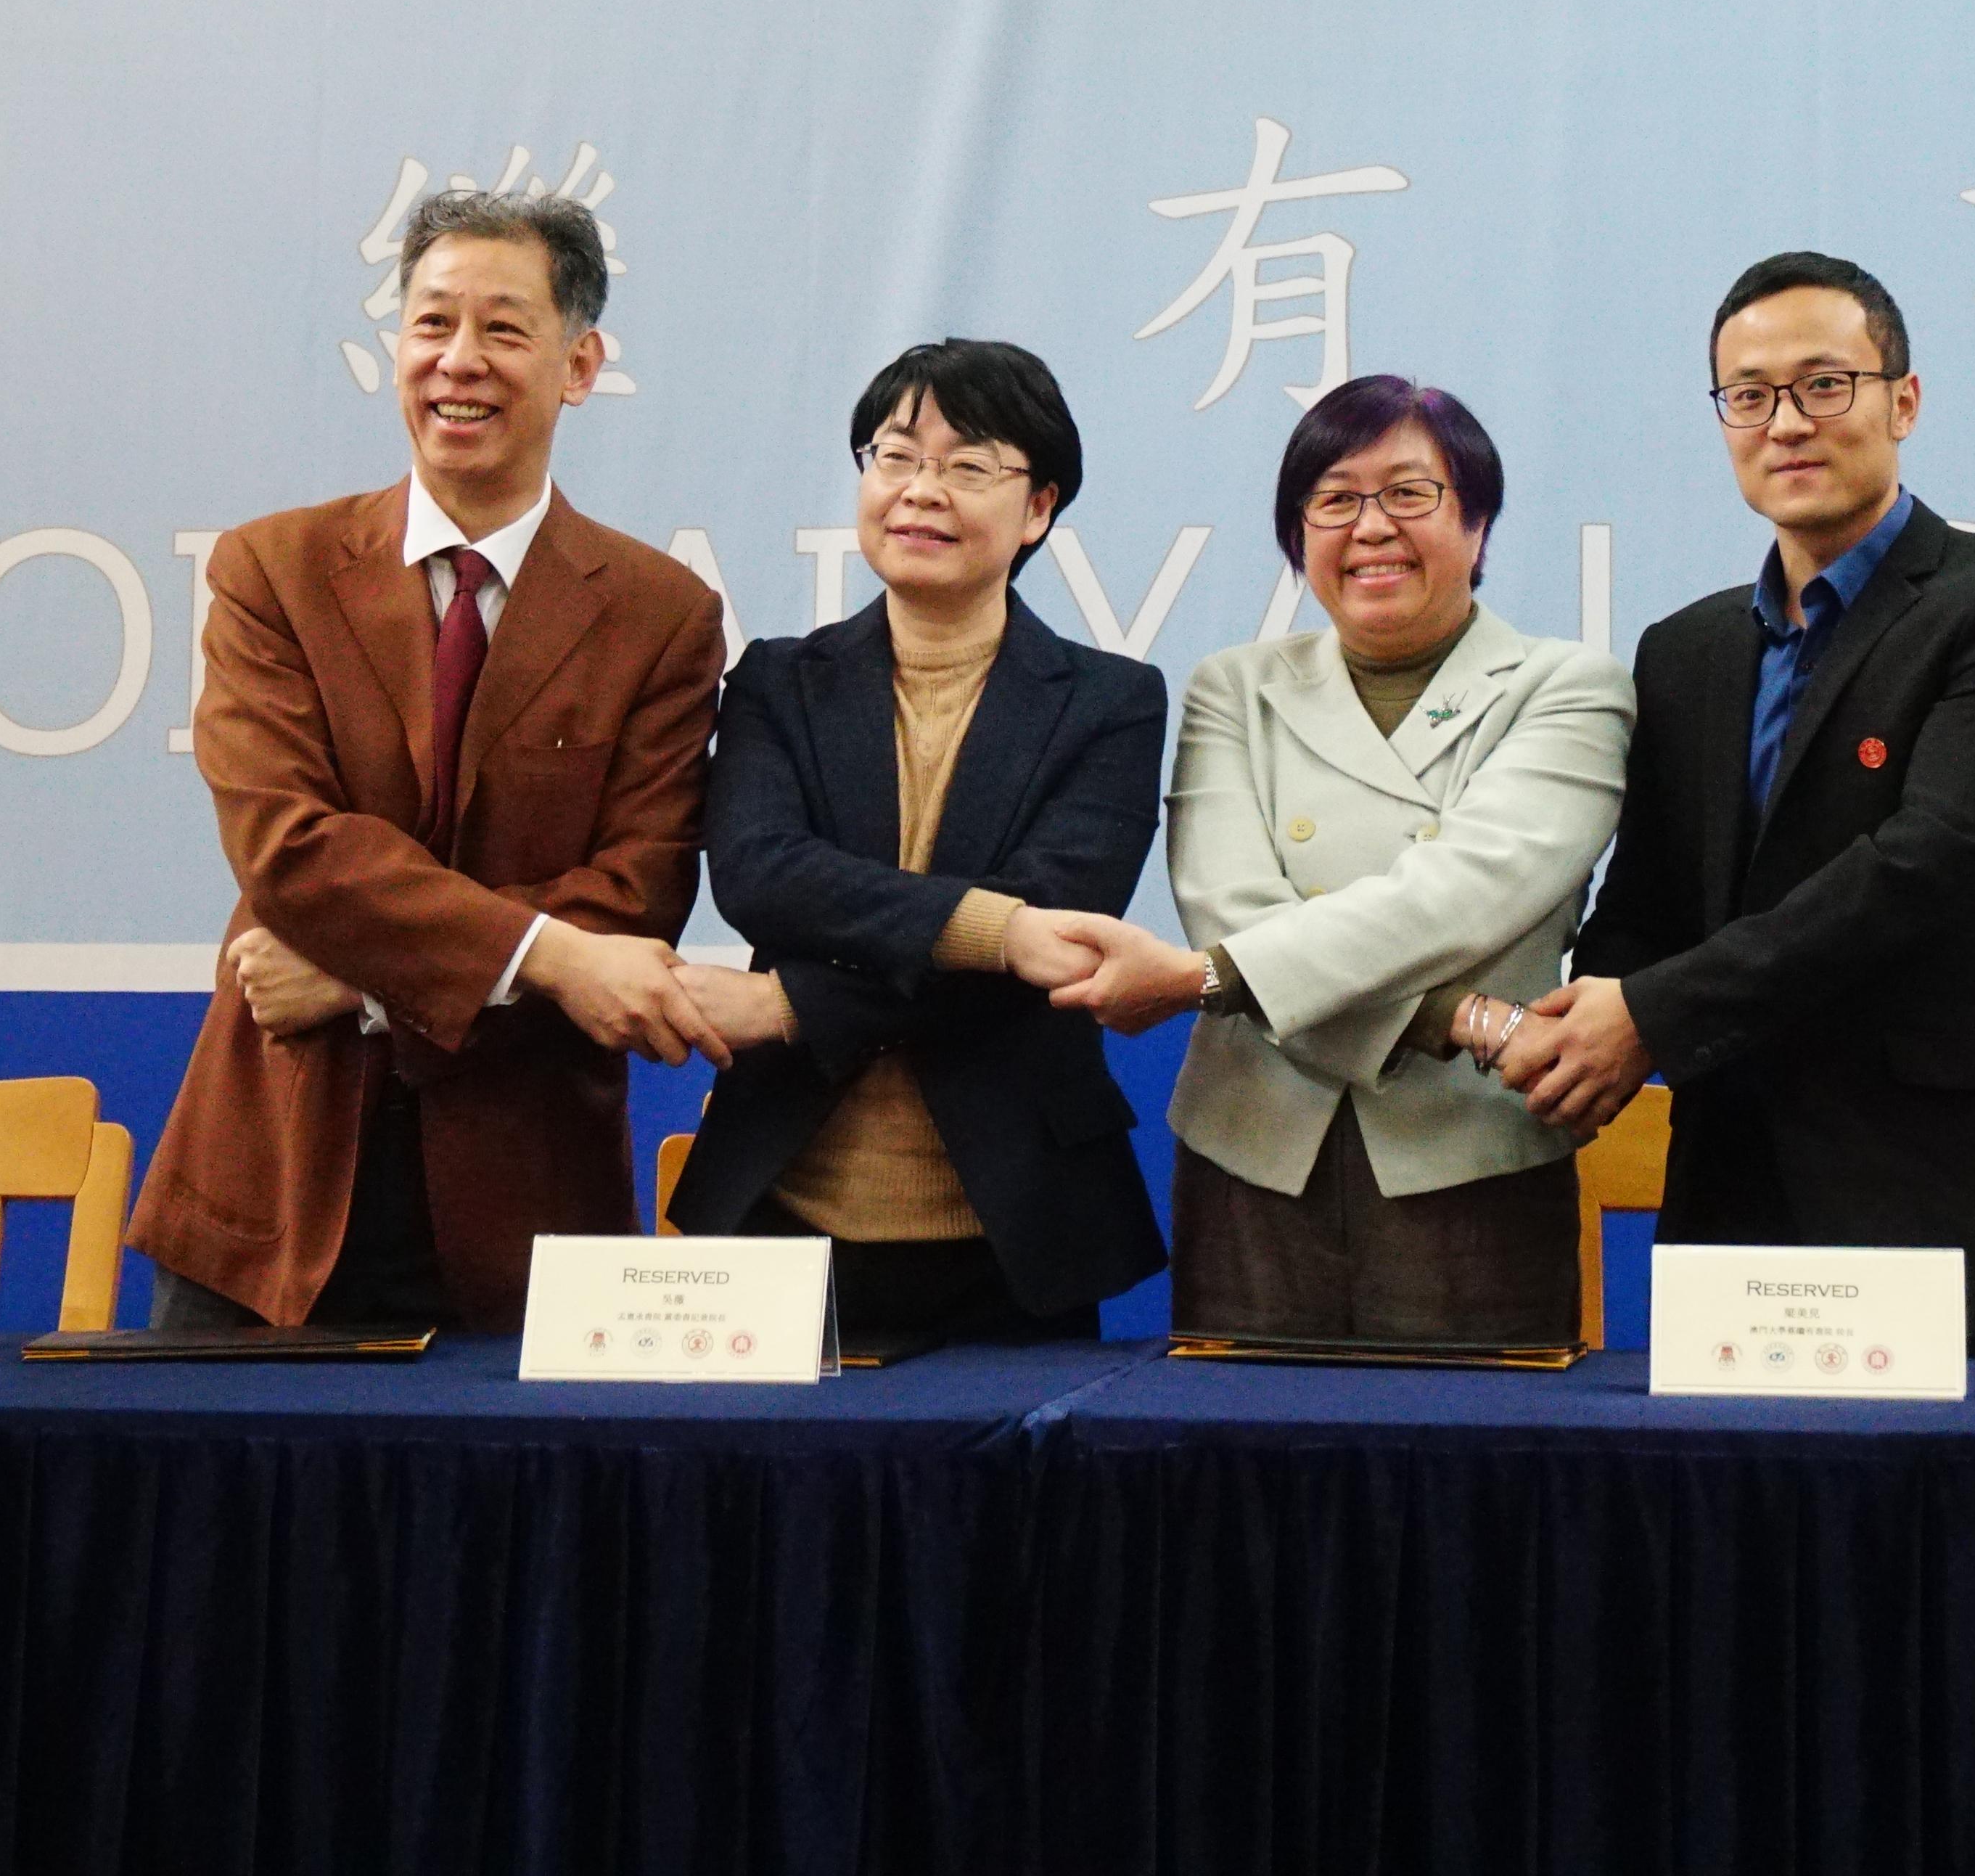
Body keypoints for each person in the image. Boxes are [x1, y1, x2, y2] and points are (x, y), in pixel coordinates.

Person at [1497, 251, 1975, 1356]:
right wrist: (1565, 1019)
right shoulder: (1686, 651)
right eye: (1749, 396)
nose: (1785, 423)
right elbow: (1647, 902)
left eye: (1824, 385)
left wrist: (1650, 1014)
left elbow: (1927, 866)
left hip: (1963, 1213)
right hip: (1735, 1212)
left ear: (1904, 402)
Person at [128, 187, 732, 1333]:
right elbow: (290, 852)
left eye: (504, 329)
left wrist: (364, 986)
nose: (460, 361)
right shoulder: (274, 572)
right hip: (268, 1196)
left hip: (525, 1211)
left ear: (580, 364)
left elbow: (637, 894)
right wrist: (547, 954)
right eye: (432, 323)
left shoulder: (663, 615)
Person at [1042, 375, 1631, 1347]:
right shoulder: (1235, 686)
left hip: (1470, 1155)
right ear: (1297, 533)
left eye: (1409, 493)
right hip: (1252, 1155)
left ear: (1478, 523)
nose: (1371, 526)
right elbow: (1228, 909)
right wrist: (1462, 1018)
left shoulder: (1568, 686)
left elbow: (1459, 896)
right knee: (1238, 1442)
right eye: (1335, 499)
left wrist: (1215, 979)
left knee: (1469, 1440)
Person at [662, 341, 1168, 1343]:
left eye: (968, 465)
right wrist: (993, 931)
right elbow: (762, 877)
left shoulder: (1112, 701)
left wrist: (789, 1005)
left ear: (1038, 507)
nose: (920, 490)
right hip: (781, 1205)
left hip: (1017, 1230)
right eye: (895, 456)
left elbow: (1054, 935)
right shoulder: (777, 681)